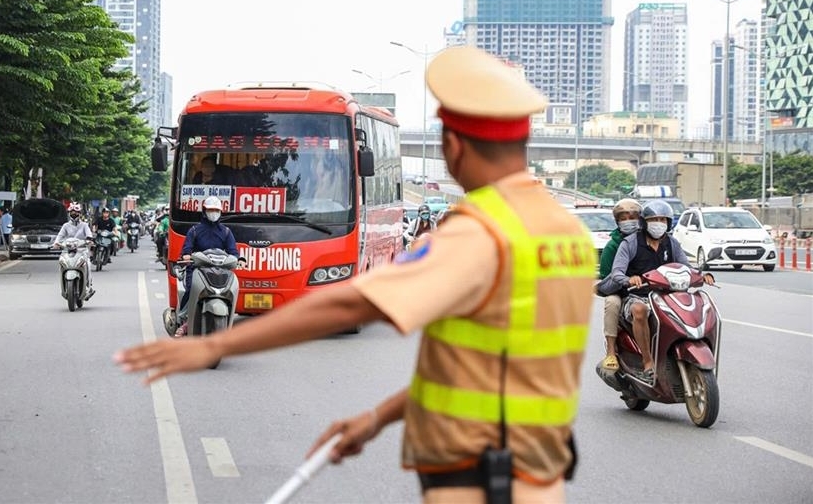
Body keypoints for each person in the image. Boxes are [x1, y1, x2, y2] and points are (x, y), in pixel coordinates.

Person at [115, 46, 596, 503]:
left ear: (453, 144)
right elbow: (481, 370)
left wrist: (217, 344)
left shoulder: (481, 233)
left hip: (476, 476)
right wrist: (373, 419)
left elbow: (352, 302)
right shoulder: (566, 234)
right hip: (537, 473)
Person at [597, 199, 715, 382]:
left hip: (667, 295)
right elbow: (616, 273)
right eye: (654, 219)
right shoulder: (629, 243)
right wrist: (629, 279)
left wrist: (701, 275)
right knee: (638, 310)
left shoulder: (672, 243)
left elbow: (685, 266)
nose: (658, 224)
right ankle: (647, 362)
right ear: (644, 222)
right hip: (637, 295)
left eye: (663, 220)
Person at [173, 196, 246, 337]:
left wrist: (239, 260)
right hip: (197, 269)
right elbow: (186, 250)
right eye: (211, 210)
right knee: (190, 290)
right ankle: (184, 321)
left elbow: (233, 252)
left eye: (216, 210)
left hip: (220, 270)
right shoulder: (194, 230)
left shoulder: (225, 232)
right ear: (204, 211)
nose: (213, 213)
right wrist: (187, 256)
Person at [596, 198, 642, 372]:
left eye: (633, 216)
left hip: (647, 288)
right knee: (612, 303)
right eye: (624, 217)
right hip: (621, 291)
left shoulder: (648, 240)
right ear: (617, 221)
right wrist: (626, 281)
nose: (629, 221)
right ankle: (610, 351)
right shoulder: (612, 246)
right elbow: (607, 278)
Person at [53, 203, 95, 298]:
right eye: (72, 212)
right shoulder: (65, 226)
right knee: (61, 264)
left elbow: (89, 235)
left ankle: (89, 285)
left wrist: (90, 241)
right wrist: (56, 243)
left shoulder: (84, 225)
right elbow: (60, 236)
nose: (74, 213)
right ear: (69, 213)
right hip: (67, 251)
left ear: (80, 213)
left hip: (81, 250)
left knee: (88, 264)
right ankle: (64, 285)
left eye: (76, 212)